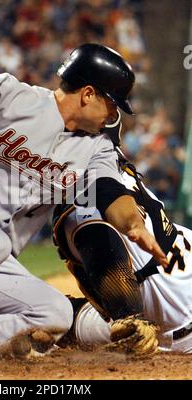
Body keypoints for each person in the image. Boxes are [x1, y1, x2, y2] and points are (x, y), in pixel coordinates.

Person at [0, 5, 167, 368]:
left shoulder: (96, 147)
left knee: (53, 312)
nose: (113, 116)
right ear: (87, 94)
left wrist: (134, 227)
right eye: (112, 105)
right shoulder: (11, 95)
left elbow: (108, 194)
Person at [52, 114, 192, 355]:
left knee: (59, 319)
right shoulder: (124, 172)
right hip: (183, 270)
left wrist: (127, 315)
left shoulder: (81, 198)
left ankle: (51, 318)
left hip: (176, 330)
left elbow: (101, 245)